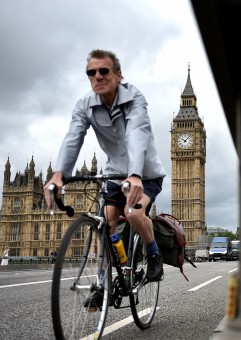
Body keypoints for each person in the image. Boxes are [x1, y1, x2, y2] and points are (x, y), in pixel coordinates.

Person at [43, 49, 166, 282]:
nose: (97, 76)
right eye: (91, 72)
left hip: (145, 174)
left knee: (132, 212)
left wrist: (136, 174)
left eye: (103, 71)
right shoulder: (83, 106)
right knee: (105, 224)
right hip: (114, 174)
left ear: (118, 75)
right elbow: (73, 137)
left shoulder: (134, 98)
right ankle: (102, 282)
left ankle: (153, 253)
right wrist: (59, 174)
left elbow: (137, 134)